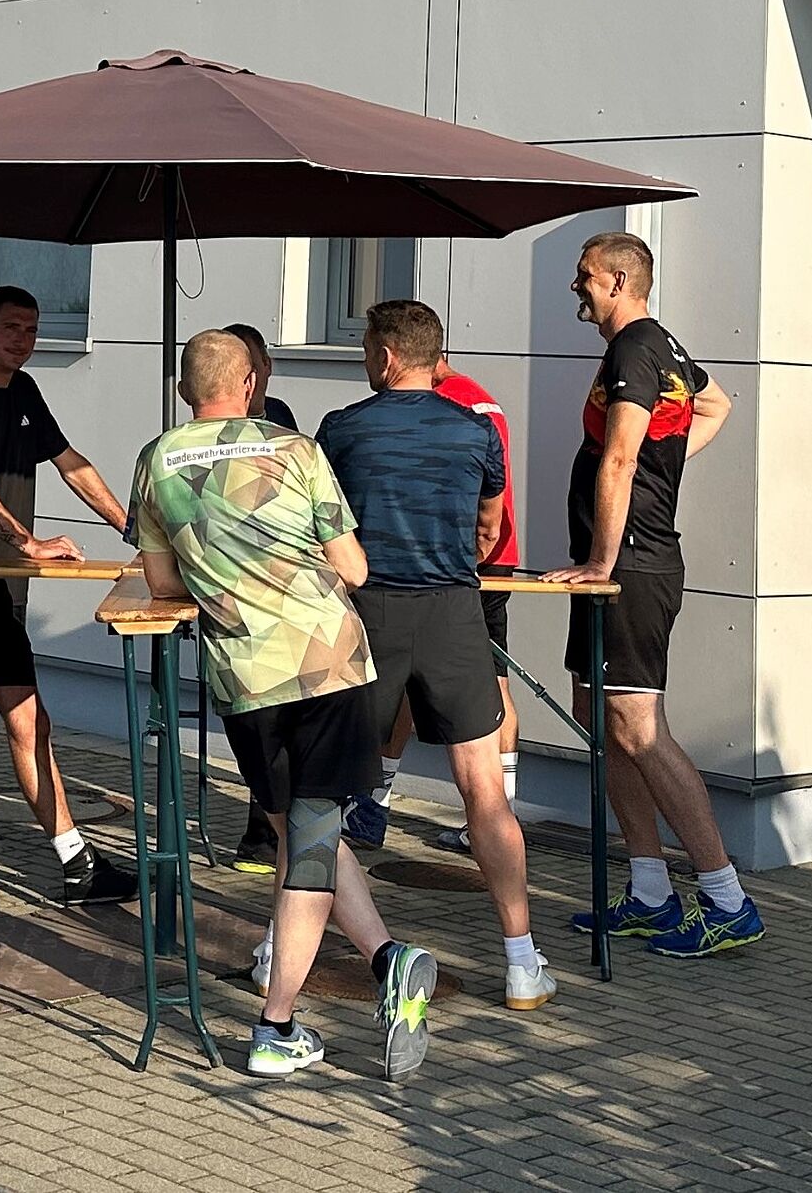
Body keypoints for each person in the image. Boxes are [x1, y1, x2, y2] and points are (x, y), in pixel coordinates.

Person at [133, 328, 437, 1081]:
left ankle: (388, 959)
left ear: (185, 389)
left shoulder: (156, 459)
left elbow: (163, 582)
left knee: (301, 832)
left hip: (244, 678)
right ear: (249, 383)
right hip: (325, 664)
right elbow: (352, 566)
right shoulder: (296, 450)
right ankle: (276, 1027)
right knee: (310, 837)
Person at [317, 299, 556, 1012]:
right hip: (455, 611)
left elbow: (319, 526)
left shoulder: (342, 429)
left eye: (367, 348)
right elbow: (490, 524)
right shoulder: (475, 429)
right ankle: (522, 964)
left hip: (370, 614)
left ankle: (278, 949)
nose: (365, 360)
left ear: (387, 357)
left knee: (320, 794)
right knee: (484, 789)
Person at [543, 232, 763, 958]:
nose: (576, 287)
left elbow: (620, 458)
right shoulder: (658, 345)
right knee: (597, 716)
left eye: (584, 276)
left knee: (639, 729)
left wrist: (601, 559)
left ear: (616, 280)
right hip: (618, 563)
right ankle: (650, 892)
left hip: (630, 565)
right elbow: (716, 405)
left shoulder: (636, 347)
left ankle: (727, 901)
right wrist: (666, 464)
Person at [0, 286, 137, 916]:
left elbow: (71, 464)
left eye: (33, 329)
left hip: (4, 590)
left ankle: (76, 864)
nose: (22, 340)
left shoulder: (27, 392)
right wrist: (28, 542)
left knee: (29, 721)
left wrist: (130, 527)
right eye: (11, 327)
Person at [345, 357, 522, 857]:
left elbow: (478, 511)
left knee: (476, 691)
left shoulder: (447, 406)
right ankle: (493, 812)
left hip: (443, 573)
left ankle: (379, 804)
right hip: (473, 566)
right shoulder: (479, 404)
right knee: (487, 687)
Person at [221, 322, 295, 874]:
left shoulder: (283, 420)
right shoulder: (207, 429)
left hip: (285, 590)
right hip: (235, 592)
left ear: (264, 368)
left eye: (256, 363)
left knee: (282, 717)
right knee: (257, 715)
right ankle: (263, 833)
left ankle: (277, 833)